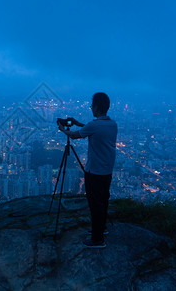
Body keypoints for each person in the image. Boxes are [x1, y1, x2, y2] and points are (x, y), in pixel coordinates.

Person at [57, 92, 117, 248]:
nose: (91, 108)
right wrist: (78, 123)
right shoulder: (112, 125)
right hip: (107, 171)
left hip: (95, 172)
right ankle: (101, 229)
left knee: (95, 204)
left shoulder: (94, 126)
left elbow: (75, 136)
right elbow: (95, 129)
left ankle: (97, 240)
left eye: (92, 106)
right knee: (103, 201)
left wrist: (63, 129)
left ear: (96, 107)